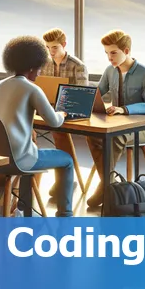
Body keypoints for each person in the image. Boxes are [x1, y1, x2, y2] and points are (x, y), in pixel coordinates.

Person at [0, 35, 73, 217]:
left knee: (33, 148)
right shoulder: (32, 89)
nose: (40, 73)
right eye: (39, 68)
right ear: (31, 67)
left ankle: (23, 207)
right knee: (67, 160)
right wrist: (63, 114)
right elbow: (54, 122)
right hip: (20, 159)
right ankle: (65, 215)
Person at [85, 30, 145, 208]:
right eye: (106, 53)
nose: (109, 58)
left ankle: (104, 188)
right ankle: (108, 186)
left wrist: (124, 109)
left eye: (113, 53)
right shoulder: (110, 71)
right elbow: (98, 93)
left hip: (142, 130)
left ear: (126, 51)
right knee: (92, 136)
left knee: (116, 136)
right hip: (116, 126)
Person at [39, 27, 89, 198]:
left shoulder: (78, 66)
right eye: (47, 47)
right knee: (30, 128)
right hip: (50, 108)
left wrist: (64, 108)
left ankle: (65, 179)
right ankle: (64, 178)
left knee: (59, 133)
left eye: (54, 47)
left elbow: (82, 96)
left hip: (72, 110)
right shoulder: (44, 64)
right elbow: (42, 90)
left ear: (64, 45)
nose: (50, 51)